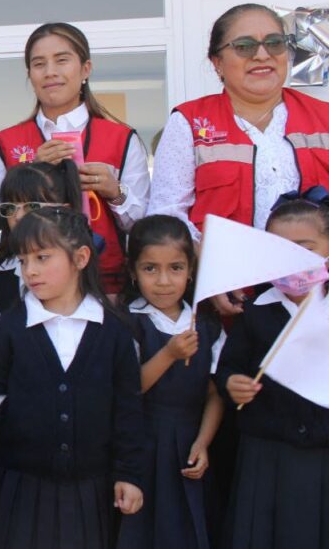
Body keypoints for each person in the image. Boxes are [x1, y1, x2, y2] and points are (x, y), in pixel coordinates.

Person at [0, 207, 145, 549]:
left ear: (81, 258)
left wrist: (128, 474)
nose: (31, 271)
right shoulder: (10, 328)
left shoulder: (115, 332)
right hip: (20, 486)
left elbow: (128, 410)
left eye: (42, 257)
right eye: (23, 260)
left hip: (89, 490)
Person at [149, 2, 329, 315]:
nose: (262, 55)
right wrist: (211, 269)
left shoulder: (324, 117)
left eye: (274, 43)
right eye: (244, 46)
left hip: (316, 300)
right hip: (231, 299)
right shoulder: (190, 121)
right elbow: (166, 213)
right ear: (217, 62)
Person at [0, 22, 150, 293]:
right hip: (27, 284)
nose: (50, 72)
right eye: (39, 64)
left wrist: (115, 192)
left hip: (105, 286)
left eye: (62, 60)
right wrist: (30, 177)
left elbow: (142, 224)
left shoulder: (121, 138)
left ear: (85, 69)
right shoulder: (5, 142)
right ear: (29, 74)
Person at [216, 192, 329, 549]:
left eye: (304, 247)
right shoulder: (257, 312)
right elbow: (229, 367)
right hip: (267, 454)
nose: (292, 259)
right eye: (280, 249)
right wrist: (231, 383)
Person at [116, 215, 225, 549]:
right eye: (150, 269)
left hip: (189, 444)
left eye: (175, 268)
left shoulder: (207, 327)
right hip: (140, 445)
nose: (164, 281)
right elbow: (128, 391)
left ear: (191, 270)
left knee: (187, 526)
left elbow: (214, 393)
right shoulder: (126, 324)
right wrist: (169, 354)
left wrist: (204, 441)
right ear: (133, 271)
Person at [0, 160, 82, 313]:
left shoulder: (82, 266)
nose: (18, 216)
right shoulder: (0, 274)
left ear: (63, 210)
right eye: (10, 207)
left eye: (32, 207)